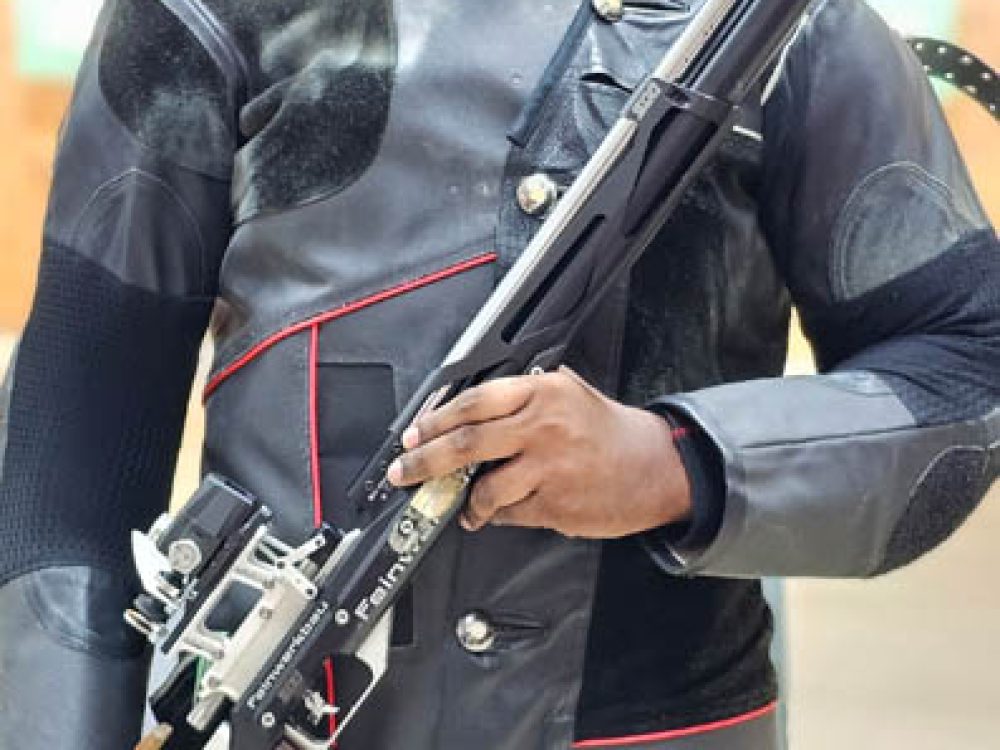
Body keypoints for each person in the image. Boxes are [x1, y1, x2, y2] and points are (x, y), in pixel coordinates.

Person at [1, 0, 997, 748]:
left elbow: (963, 364)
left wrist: (676, 463)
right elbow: (70, 459)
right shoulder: (206, 14)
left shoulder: (785, 27)